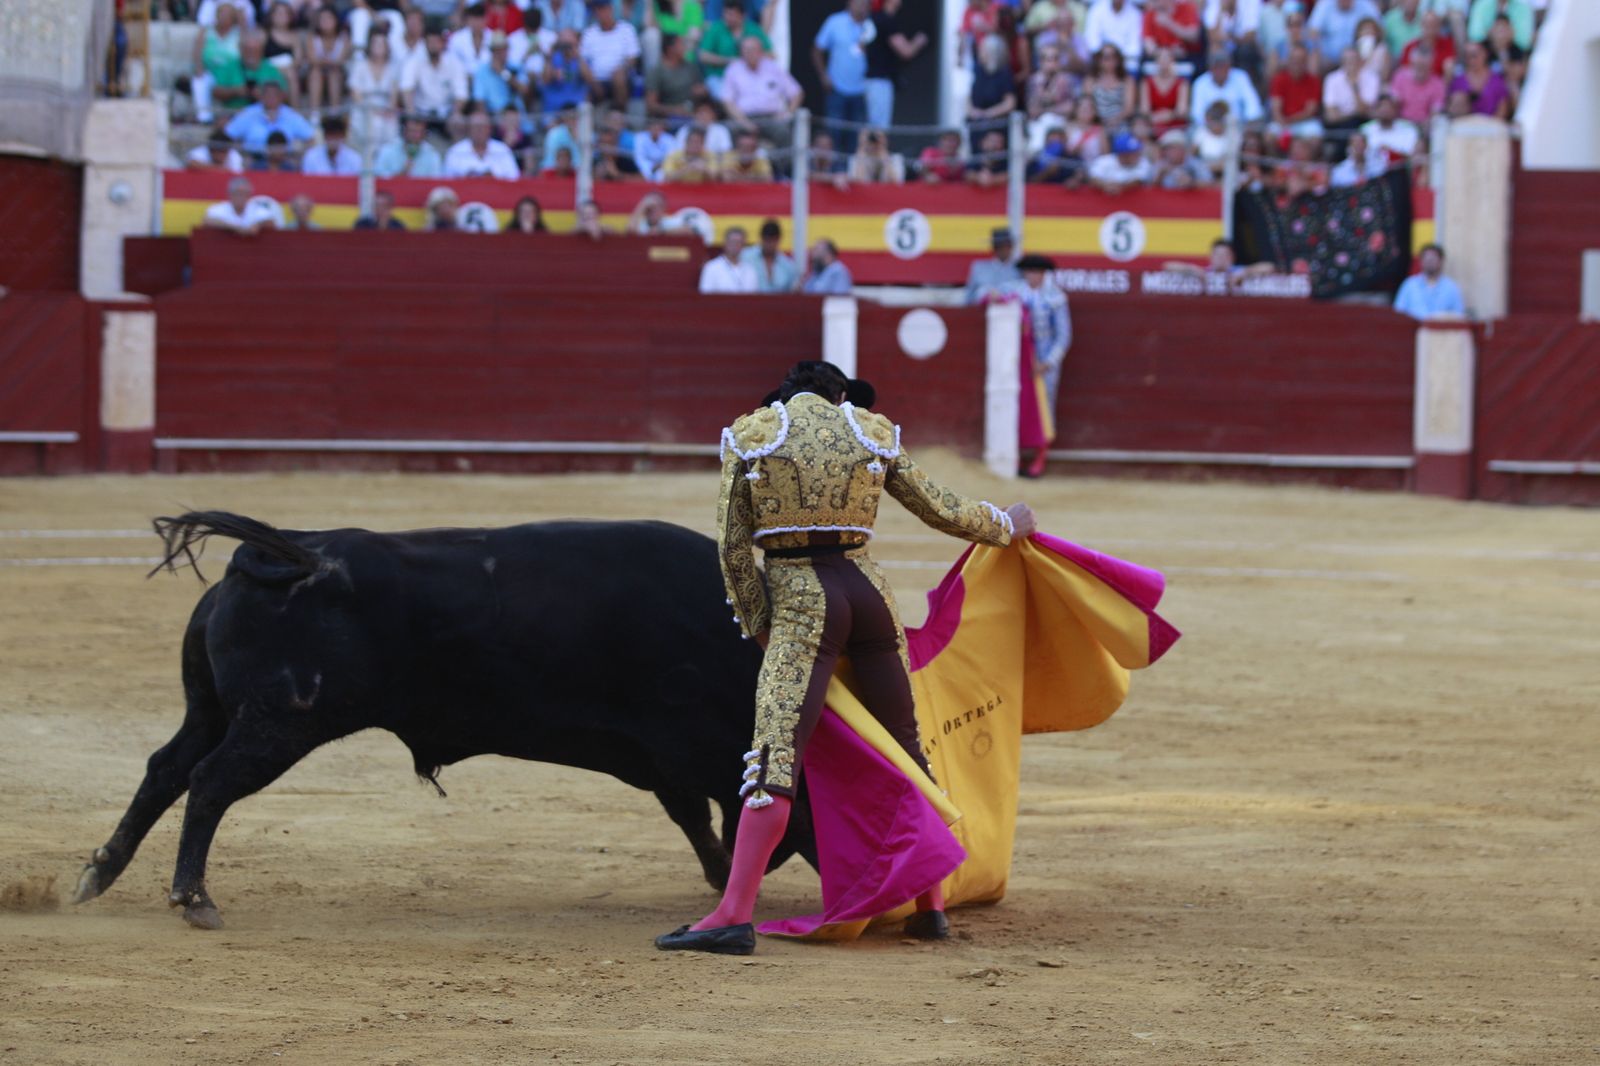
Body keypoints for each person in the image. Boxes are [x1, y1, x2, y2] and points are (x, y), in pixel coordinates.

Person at [654, 360, 1035, 955]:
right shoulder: (870, 431)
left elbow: (732, 550)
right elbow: (938, 507)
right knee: (905, 748)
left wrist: (759, 625)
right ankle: (930, 909)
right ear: (838, 396)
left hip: (803, 598)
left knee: (775, 756)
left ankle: (733, 914)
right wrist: (1004, 524)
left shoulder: (753, 434)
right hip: (869, 595)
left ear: (784, 397)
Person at [1007, 254, 1071, 478]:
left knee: (1044, 408)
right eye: (1029, 272)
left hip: (1044, 364)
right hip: (1018, 361)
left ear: (1044, 274)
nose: (1032, 276)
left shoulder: (1056, 297)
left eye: (1036, 272)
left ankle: (1039, 459)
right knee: (1016, 406)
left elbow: (1063, 336)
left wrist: (1048, 363)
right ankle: (1014, 457)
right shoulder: (1014, 292)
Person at [812, 0, 875, 157]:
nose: (861, 6)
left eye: (865, 3)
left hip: (862, 90)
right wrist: (824, 76)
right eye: (858, 2)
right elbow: (817, 50)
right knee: (834, 133)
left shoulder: (871, 26)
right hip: (837, 88)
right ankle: (834, 168)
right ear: (849, 3)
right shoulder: (834, 22)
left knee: (858, 137)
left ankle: (854, 169)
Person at [720, 35, 802, 144]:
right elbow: (727, 101)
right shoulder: (733, 70)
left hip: (772, 118)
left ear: (761, 52)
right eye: (746, 50)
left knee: (783, 133)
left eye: (752, 49)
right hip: (743, 118)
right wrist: (743, 122)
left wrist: (787, 114)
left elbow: (796, 93)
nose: (749, 53)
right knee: (727, 132)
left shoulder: (773, 68)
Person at [863, 0, 927, 130]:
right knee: (878, 129)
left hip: (866, 80)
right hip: (879, 82)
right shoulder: (885, 20)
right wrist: (919, 41)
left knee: (869, 126)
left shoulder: (872, 18)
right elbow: (906, 51)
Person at [400, 24, 470, 137]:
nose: (433, 46)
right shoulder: (414, 60)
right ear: (425, 44)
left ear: (442, 43)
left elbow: (461, 94)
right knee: (409, 122)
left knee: (458, 123)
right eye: (430, 42)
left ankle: (456, 149)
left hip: (446, 114)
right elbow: (407, 88)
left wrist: (456, 113)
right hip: (420, 113)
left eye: (436, 42)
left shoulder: (454, 63)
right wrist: (411, 113)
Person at [224, 79, 315, 158]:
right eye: (268, 95)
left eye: (275, 95)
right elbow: (228, 135)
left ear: (281, 97)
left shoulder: (291, 115)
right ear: (262, 96)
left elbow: (311, 139)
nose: (271, 98)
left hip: (284, 162)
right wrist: (241, 155)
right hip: (253, 161)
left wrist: (299, 156)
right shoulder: (249, 113)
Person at [580, 0, 642, 109]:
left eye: (602, 9)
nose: (599, 12)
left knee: (619, 78)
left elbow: (633, 58)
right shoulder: (589, 33)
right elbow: (583, 61)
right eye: (596, 10)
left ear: (611, 9)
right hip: (597, 80)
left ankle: (619, 111)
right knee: (585, 92)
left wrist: (622, 69)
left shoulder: (626, 29)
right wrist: (593, 82)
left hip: (622, 78)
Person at [1190, 48, 1264, 127]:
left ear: (1229, 67)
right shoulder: (1200, 83)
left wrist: (1249, 122)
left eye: (1223, 66)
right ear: (1210, 68)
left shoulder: (1241, 77)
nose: (1220, 70)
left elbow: (1253, 105)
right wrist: (1212, 126)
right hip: (1208, 128)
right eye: (1216, 67)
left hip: (1239, 126)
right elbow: (1197, 113)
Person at [646, 33, 707, 121]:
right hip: (667, 119)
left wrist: (701, 92)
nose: (685, 47)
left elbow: (700, 90)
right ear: (670, 49)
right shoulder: (656, 72)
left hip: (692, 114)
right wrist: (675, 110)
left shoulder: (691, 67)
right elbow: (651, 106)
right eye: (681, 44)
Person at [1394, 243, 1466, 319]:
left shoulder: (1451, 287)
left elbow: (1459, 316)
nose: (1429, 262)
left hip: (1440, 326)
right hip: (1413, 326)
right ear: (1421, 261)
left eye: (1433, 259)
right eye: (1426, 258)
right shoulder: (1409, 285)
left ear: (1441, 261)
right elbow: (1398, 313)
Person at [444, 111, 521, 178]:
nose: (479, 131)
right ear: (469, 129)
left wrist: (494, 177)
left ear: (489, 129)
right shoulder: (455, 151)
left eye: (482, 127)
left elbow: (514, 178)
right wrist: (466, 178)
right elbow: (447, 180)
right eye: (476, 127)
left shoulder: (502, 150)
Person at [305, 5, 350, 115]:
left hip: (338, 73)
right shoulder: (312, 37)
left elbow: (341, 60)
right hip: (316, 72)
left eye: (329, 18)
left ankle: (335, 112)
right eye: (322, 19)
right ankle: (314, 114)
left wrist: (325, 62)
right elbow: (312, 60)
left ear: (336, 20)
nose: (325, 22)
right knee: (315, 72)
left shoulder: (344, 37)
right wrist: (328, 62)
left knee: (334, 72)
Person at [1449, 41, 1511, 119]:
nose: (1471, 60)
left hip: (1491, 124)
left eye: (1474, 55)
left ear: (1484, 54)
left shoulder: (1497, 81)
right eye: (1467, 56)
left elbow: (1502, 109)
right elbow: (1452, 110)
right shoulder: (1458, 82)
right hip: (1465, 124)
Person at [202, 176, 280, 234]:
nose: (241, 197)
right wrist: (234, 228)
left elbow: (271, 222)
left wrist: (258, 225)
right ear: (229, 194)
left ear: (249, 195)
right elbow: (207, 221)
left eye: (244, 194)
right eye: (237, 194)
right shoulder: (218, 209)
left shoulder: (256, 209)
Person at [1390, 42, 1445, 125]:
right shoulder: (1400, 76)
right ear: (1412, 63)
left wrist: (1425, 125)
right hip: (1401, 123)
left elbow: (1435, 112)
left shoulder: (1438, 84)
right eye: (1418, 65)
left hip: (1425, 125)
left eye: (1424, 66)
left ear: (1431, 65)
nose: (1421, 69)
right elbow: (1394, 105)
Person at [375, 114, 445, 178]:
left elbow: (435, 180)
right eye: (411, 131)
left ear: (424, 134)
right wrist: (402, 173)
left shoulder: (431, 154)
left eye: (419, 132)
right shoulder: (388, 150)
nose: (415, 135)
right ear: (404, 131)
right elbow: (378, 176)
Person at [742, 218, 800, 292]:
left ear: (778, 240)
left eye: (773, 241)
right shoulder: (745, 257)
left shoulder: (787, 265)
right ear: (761, 238)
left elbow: (791, 291)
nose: (769, 244)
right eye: (767, 240)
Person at [965, 227, 1019, 304]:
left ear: (1011, 247)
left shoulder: (1019, 268)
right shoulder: (980, 268)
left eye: (1007, 246)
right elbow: (970, 296)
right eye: (1000, 246)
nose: (1004, 250)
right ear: (994, 248)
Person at [699, 226, 759, 293]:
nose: (735, 245)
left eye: (739, 242)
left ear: (743, 245)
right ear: (725, 243)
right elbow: (705, 295)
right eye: (733, 241)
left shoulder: (750, 270)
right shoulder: (711, 267)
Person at [1088, 131, 1153, 192]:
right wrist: (1104, 185)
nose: (1137, 156)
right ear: (1122, 155)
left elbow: (1138, 180)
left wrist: (1120, 187)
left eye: (1137, 152)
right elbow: (1093, 177)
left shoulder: (1143, 162)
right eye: (1133, 154)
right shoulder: (1104, 161)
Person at [633, 117, 677, 181]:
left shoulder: (670, 140)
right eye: (654, 128)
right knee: (644, 174)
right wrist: (650, 167)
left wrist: (660, 166)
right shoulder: (640, 138)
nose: (656, 131)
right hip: (645, 166)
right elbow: (639, 157)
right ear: (648, 128)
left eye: (658, 128)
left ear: (663, 129)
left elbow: (670, 157)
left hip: (662, 166)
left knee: (662, 175)